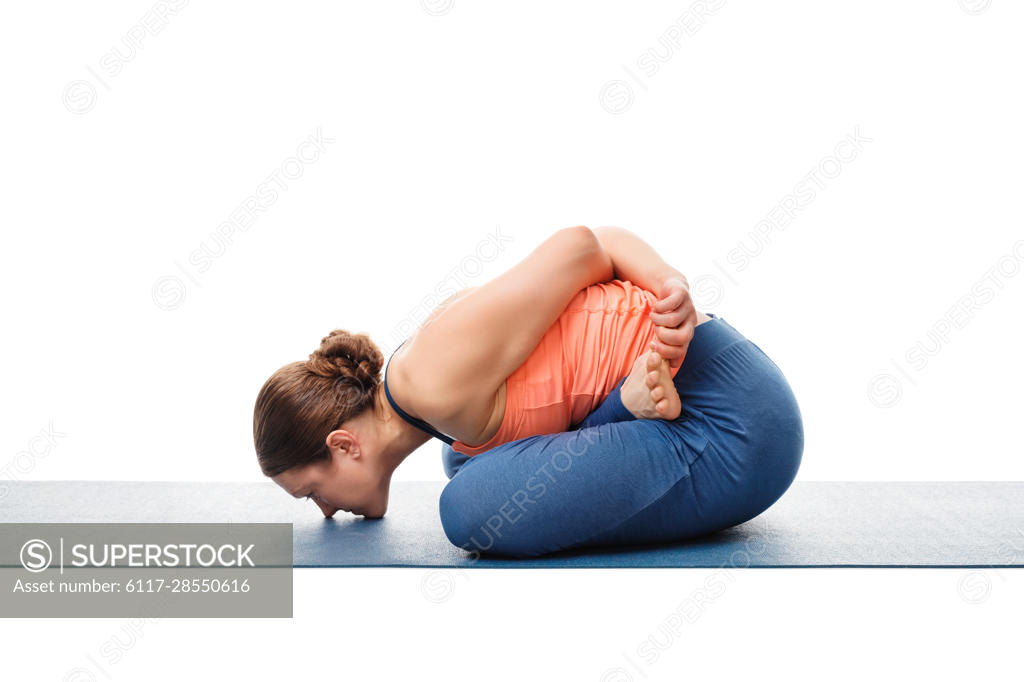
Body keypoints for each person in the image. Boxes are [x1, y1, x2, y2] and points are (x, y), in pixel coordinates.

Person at [253, 226, 803, 557]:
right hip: (687, 398)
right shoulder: (429, 403)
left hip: (733, 424)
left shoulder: (430, 379)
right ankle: (627, 407)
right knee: (463, 463)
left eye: (311, 491)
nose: (324, 509)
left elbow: (586, 245)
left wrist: (670, 285)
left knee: (470, 511)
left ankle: (629, 409)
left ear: (344, 444)